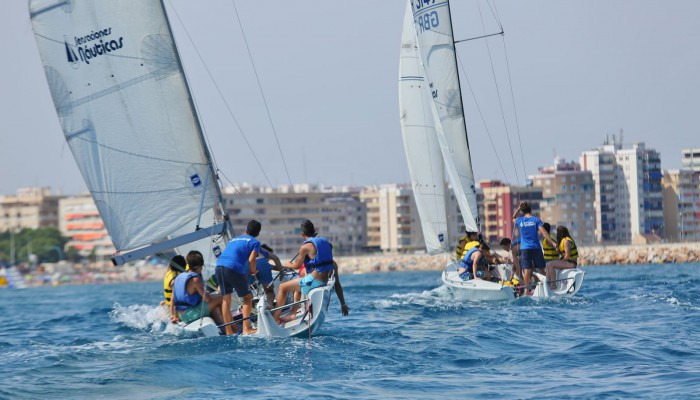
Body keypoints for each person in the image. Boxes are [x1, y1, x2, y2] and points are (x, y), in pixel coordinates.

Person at [273, 220, 335, 323]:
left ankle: (275, 319)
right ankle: (293, 313)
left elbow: (296, 266)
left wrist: (287, 264)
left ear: (302, 234)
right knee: (297, 282)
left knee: (282, 287)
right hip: (324, 281)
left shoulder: (305, 247)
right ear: (314, 231)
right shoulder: (325, 242)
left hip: (314, 281)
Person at [215, 220, 261, 335]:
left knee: (226, 299)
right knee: (247, 298)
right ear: (258, 233)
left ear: (246, 229)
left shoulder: (234, 239)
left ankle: (228, 331)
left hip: (219, 266)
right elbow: (251, 260)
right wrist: (253, 271)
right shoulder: (255, 242)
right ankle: (246, 329)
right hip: (233, 267)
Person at [512, 201, 557, 294]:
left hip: (525, 248)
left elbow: (513, 218)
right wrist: (552, 242)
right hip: (536, 247)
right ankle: (543, 287)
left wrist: (518, 209)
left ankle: (527, 291)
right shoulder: (536, 220)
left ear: (522, 211)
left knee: (527, 270)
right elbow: (544, 233)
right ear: (531, 210)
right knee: (540, 268)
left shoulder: (520, 220)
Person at [170, 251, 224, 326]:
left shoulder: (178, 278)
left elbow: (173, 299)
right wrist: (207, 293)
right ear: (199, 266)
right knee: (221, 297)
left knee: (215, 306)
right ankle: (228, 325)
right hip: (190, 315)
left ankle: (220, 324)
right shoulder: (195, 279)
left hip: (181, 315)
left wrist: (174, 316)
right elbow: (207, 299)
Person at [248, 243, 284, 309]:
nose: (268, 261)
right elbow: (275, 258)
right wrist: (282, 272)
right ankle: (270, 305)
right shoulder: (262, 256)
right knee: (269, 291)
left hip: (246, 266)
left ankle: (250, 309)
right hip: (261, 266)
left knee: (247, 295)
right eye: (268, 259)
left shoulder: (249, 249)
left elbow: (273, 267)